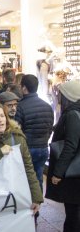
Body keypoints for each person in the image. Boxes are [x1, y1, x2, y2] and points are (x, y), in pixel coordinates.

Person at [46, 80, 80, 232]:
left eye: (61, 95)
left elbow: (71, 145)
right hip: (76, 170)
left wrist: (58, 172)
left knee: (73, 214)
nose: (59, 97)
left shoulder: (73, 114)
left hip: (73, 172)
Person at [15, 74, 53, 192]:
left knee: (26, 179)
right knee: (38, 177)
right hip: (43, 148)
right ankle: (37, 206)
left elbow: (17, 129)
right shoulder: (47, 106)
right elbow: (50, 127)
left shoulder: (20, 106)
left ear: (24, 88)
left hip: (28, 148)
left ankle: (28, 207)